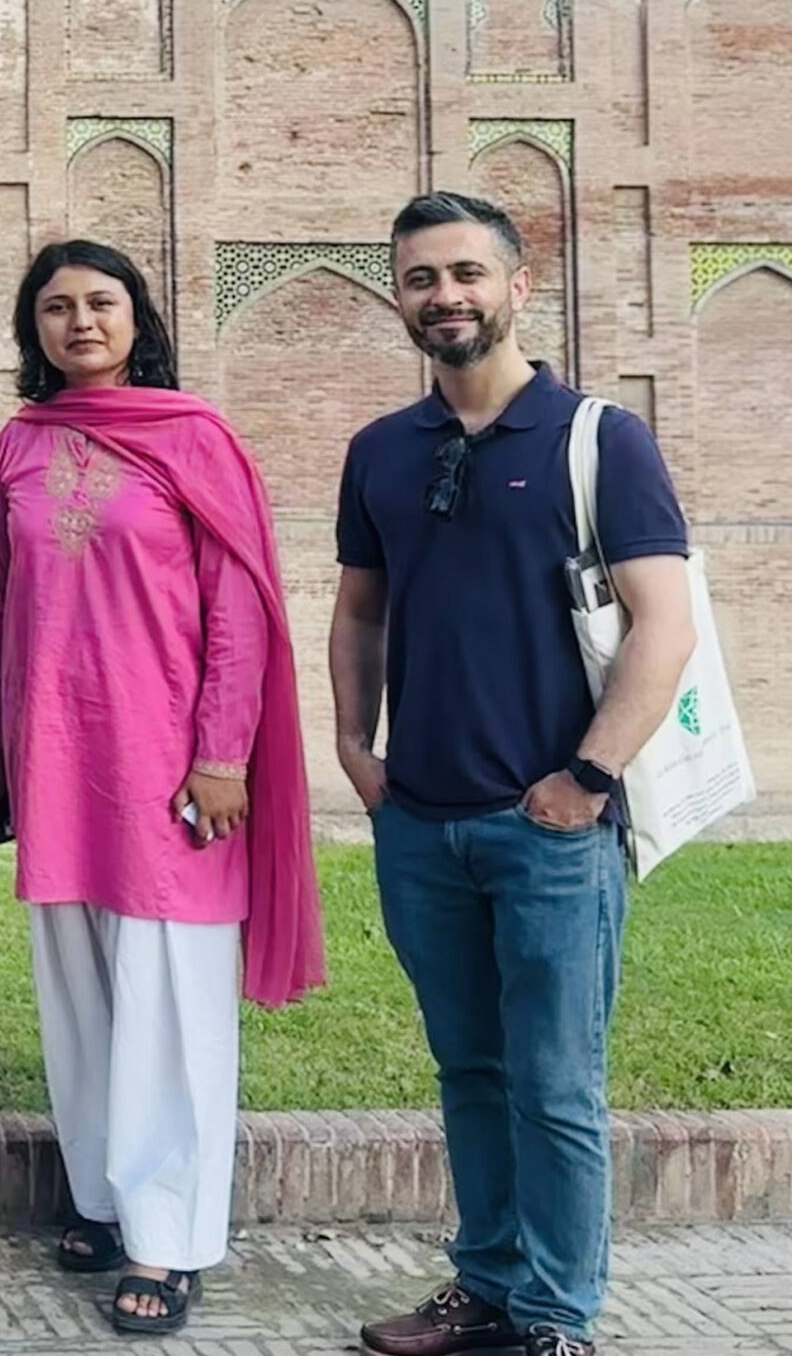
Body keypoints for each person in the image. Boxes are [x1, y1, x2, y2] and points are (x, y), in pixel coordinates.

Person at [334, 193, 695, 1356]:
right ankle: (485, 1284)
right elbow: (358, 608)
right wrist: (353, 741)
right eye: (419, 278)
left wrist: (586, 777)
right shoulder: (382, 450)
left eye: (464, 274)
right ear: (398, 298)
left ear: (516, 286)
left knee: (554, 1085)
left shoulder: (598, 439)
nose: (443, 296)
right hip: (421, 825)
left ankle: (553, 1317)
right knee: (470, 1073)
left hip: (549, 831)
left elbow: (664, 625)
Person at [0, 240, 325, 1336]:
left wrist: (223, 755)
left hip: (172, 768)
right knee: (80, 987)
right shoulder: (19, 446)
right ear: (32, 329)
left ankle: (169, 1240)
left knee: (170, 998)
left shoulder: (193, 437)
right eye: (57, 308)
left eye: (101, 304)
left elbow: (241, 610)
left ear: (138, 320)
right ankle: (102, 1198)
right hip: (55, 760)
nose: (79, 323)